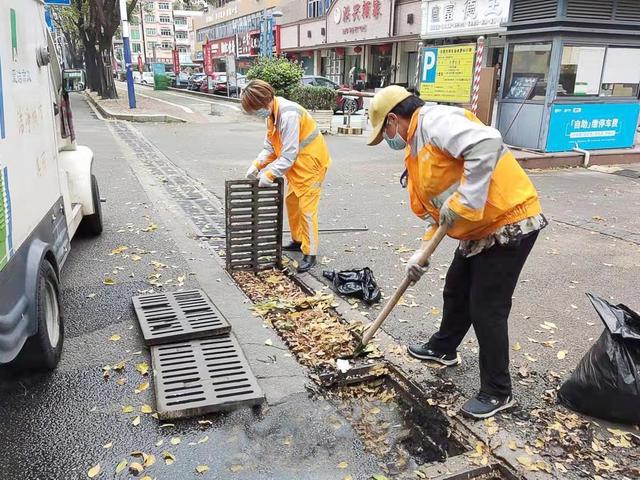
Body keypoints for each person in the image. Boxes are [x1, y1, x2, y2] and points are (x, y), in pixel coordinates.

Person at [367, 86, 547, 419]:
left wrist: (466, 201)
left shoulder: (436, 121)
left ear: (393, 119)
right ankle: (443, 348)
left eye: (386, 132)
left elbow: (487, 143)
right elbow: (437, 213)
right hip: (478, 228)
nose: (388, 140)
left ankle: (497, 391)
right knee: (456, 288)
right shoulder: (416, 147)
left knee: (486, 306)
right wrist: (420, 253)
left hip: (509, 220)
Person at [241, 79, 331, 273]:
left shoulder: (288, 114)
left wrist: (270, 175)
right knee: (292, 202)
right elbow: (271, 147)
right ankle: (298, 240)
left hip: (311, 165)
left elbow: (289, 153)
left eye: (255, 110)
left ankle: (310, 252)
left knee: (306, 210)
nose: (256, 114)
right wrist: (256, 166)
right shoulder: (271, 115)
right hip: (297, 167)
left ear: (264, 102)